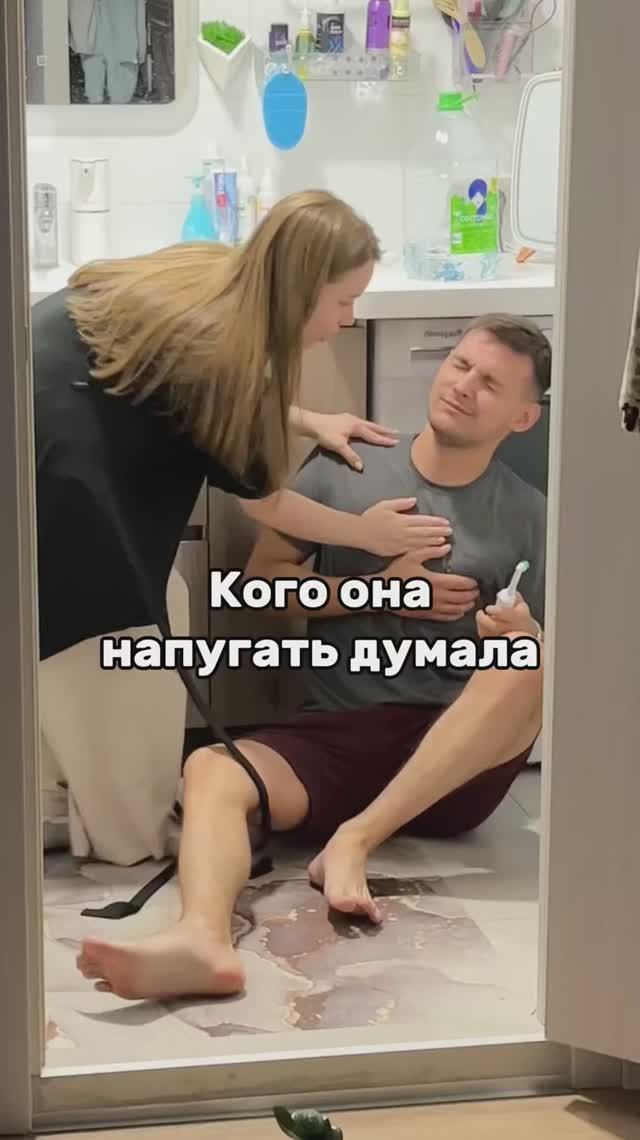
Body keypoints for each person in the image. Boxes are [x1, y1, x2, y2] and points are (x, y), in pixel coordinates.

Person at [76, 312, 550, 1001]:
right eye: (460, 366)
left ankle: (354, 841)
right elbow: (259, 591)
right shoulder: (349, 465)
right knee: (211, 769)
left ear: (523, 417)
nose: (464, 386)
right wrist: (381, 591)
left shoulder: (533, 514)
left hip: (454, 764)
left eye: (491, 384)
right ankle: (201, 942)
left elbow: (555, 661)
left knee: (531, 661)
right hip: (338, 737)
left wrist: (520, 629)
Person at [35, 189, 445, 865]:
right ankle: (129, 837)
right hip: (59, 466)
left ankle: (62, 797)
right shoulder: (228, 355)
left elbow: (181, 378)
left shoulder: (219, 270)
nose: (348, 319)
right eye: (343, 300)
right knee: (120, 635)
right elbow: (266, 503)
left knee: (148, 606)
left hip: (36, 404)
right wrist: (367, 535)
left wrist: (305, 418)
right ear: (301, 289)